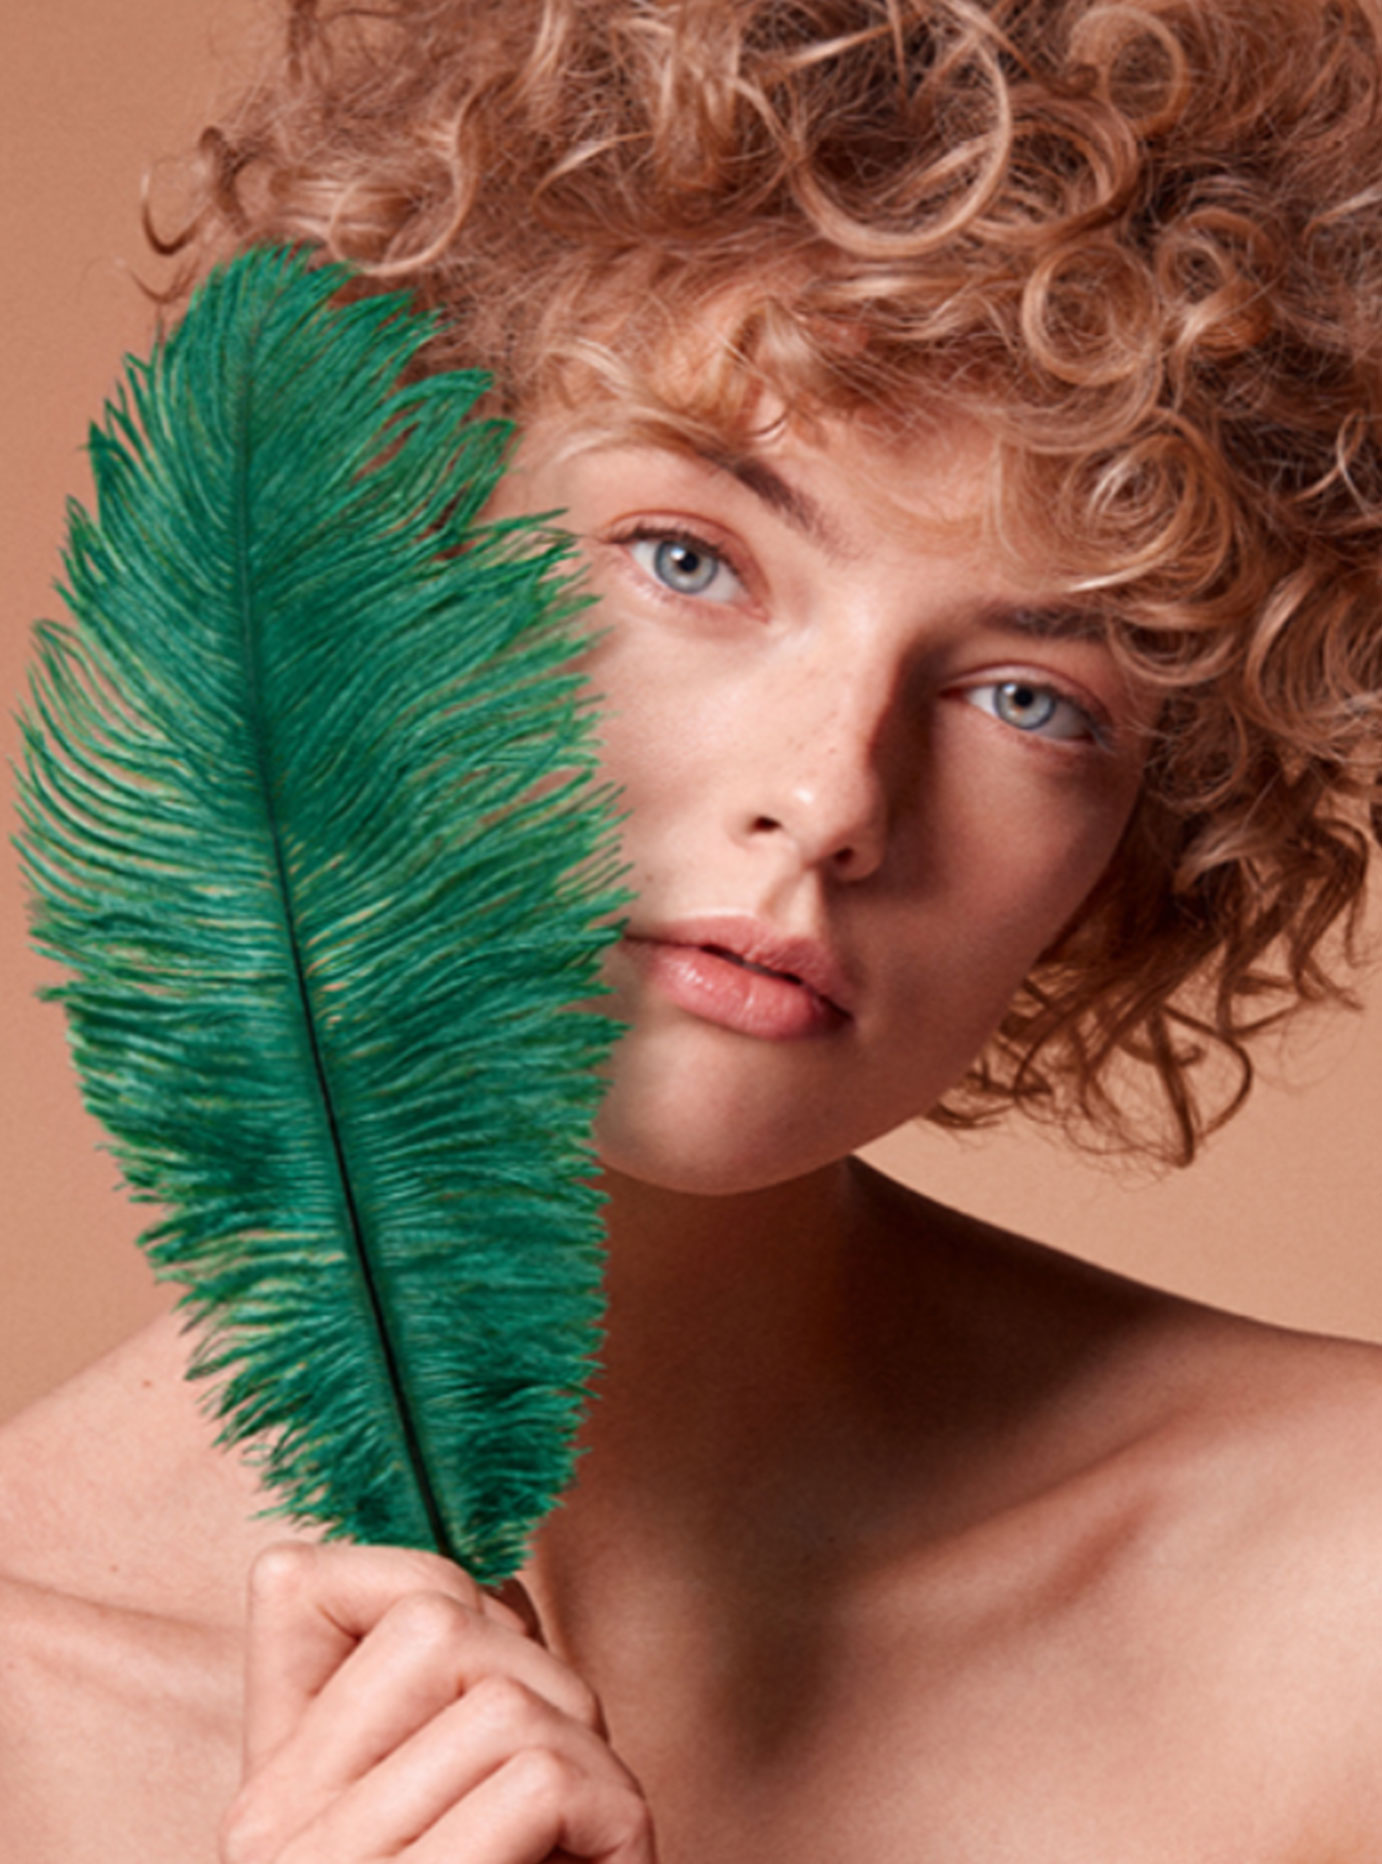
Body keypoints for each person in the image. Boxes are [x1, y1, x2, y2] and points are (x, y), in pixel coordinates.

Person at [5, 0, 1382, 1857]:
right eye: (688, 560)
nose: (829, 801)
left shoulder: (1336, 1601)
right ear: (356, 555)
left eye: (1033, 696)